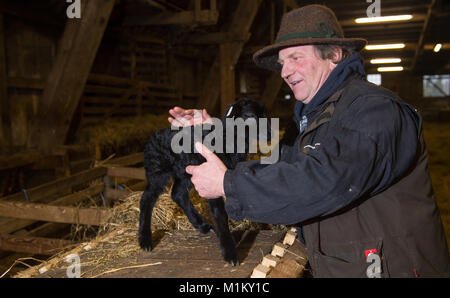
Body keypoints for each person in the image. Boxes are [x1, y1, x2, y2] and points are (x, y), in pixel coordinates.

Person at [169, 5, 450, 277]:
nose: (285, 71)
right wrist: (216, 132)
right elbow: (277, 162)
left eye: (296, 58)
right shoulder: (313, 117)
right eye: (282, 63)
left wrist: (227, 185)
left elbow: (326, 179)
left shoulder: (374, 110)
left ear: (335, 55)